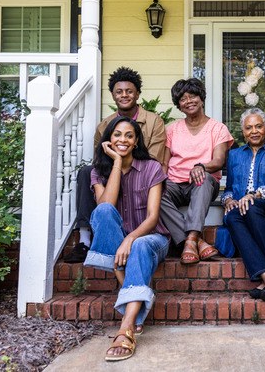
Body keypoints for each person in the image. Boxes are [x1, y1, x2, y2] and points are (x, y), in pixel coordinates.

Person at [82, 116, 169, 361]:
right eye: (117, 134)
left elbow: (153, 218)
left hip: (153, 238)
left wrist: (129, 238)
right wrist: (117, 163)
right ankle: (131, 302)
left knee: (140, 244)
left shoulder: (152, 168)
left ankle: (126, 326)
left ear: (136, 140)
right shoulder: (99, 171)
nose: (123, 139)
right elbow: (106, 207)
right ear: (109, 139)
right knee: (103, 211)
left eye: (129, 135)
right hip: (116, 239)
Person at [64, 66, 167, 263]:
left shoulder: (154, 121)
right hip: (112, 175)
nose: (124, 95)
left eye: (129, 91)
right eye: (119, 92)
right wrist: (116, 167)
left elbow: (152, 159)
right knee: (87, 172)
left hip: (141, 176)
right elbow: (100, 160)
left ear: (137, 94)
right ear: (113, 95)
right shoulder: (104, 126)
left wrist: (125, 163)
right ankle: (84, 240)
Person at [218, 108, 265, 301]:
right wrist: (228, 199)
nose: (254, 131)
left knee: (250, 207)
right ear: (243, 132)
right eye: (249, 127)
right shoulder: (234, 155)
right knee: (233, 214)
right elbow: (230, 187)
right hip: (243, 207)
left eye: (258, 126)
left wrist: (254, 194)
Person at [160, 78, 233, 264]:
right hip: (175, 184)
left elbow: (218, 160)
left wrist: (200, 166)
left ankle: (191, 237)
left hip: (204, 184)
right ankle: (194, 241)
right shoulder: (172, 130)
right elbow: (165, 164)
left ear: (201, 98)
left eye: (193, 96)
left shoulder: (218, 128)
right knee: (155, 191)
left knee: (203, 178)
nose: (189, 101)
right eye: (183, 99)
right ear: (179, 105)